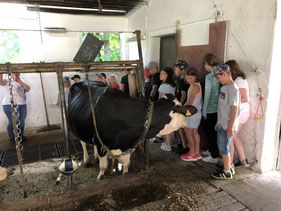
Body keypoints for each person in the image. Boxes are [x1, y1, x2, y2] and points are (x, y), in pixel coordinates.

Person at [211, 64, 240, 180]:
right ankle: (228, 166)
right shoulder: (224, 88)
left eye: (218, 77)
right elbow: (222, 107)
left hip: (228, 124)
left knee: (224, 148)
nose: (218, 80)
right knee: (223, 146)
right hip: (222, 123)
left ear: (224, 74)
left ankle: (227, 172)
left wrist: (230, 128)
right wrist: (218, 121)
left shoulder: (233, 89)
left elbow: (234, 109)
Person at [226, 60, 250, 168]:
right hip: (242, 112)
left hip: (241, 112)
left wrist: (232, 104)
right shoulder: (238, 79)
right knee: (234, 137)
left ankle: (229, 164)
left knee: (230, 137)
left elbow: (245, 98)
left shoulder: (239, 80)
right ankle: (243, 160)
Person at [201, 53, 221, 163]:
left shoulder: (209, 77)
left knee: (211, 133)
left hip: (211, 109)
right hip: (219, 108)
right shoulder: (221, 72)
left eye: (204, 66)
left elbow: (207, 95)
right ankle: (212, 151)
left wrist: (204, 112)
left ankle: (213, 156)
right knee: (215, 133)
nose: (204, 68)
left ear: (207, 64)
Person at [0, 73, 30, 142]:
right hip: (9, 104)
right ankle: (12, 138)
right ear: (11, 73)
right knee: (14, 122)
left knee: (22, 121)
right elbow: (1, 82)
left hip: (22, 104)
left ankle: (20, 136)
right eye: (15, 72)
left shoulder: (21, 81)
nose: (17, 74)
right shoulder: (7, 80)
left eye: (18, 73)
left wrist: (19, 81)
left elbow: (28, 89)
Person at [180, 68, 203, 161]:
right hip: (196, 112)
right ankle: (196, 153)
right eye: (187, 78)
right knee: (194, 132)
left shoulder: (194, 87)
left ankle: (192, 153)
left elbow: (189, 101)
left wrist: (180, 109)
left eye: (191, 78)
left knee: (188, 132)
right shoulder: (196, 85)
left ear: (195, 77)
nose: (189, 80)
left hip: (192, 113)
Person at [158, 67, 176, 151]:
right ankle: (168, 143)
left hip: (165, 108)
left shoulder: (162, 86)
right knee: (171, 126)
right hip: (173, 107)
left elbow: (160, 99)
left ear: (167, 75)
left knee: (166, 127)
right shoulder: (174, 85)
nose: (160, 75)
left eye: (162, 73)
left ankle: (168, 145)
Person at [174, 60, 190, 154]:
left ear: (182, 70)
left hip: (182, 106)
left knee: (181, 127)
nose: (175, 71)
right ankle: (182, 145)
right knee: (180, 127)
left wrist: (180, 106)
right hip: (180, 105)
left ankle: (184, 146)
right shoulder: (179, 79)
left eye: (176, 69)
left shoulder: (183, 81)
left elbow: (184, 95)